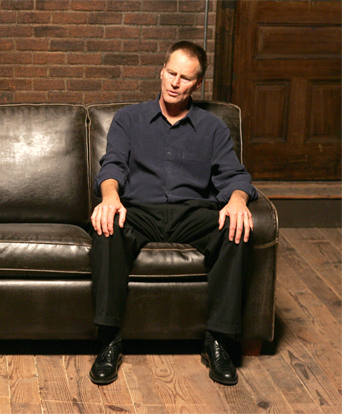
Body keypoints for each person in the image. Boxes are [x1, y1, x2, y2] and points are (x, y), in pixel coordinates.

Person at [88, 41, 257, 386]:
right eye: (171, 73)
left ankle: (218, 341)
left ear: (198, 84)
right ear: (161, 71)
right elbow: (113, 165)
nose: (175, 83)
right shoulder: (129, 119)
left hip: (191, 212)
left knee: (236, 228)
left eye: (185, 78)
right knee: (106, 225)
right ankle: (109, 341)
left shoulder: (213, 128)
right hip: (139, 210)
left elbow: (235, 177)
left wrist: (238, 200)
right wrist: (109, 196)